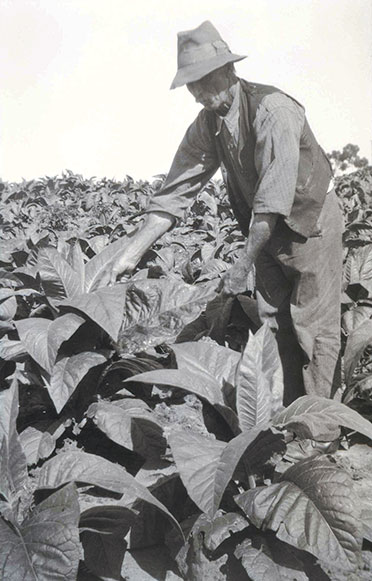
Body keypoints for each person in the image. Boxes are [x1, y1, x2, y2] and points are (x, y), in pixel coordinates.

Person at [111, 20, 344, 405]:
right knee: (273, 320)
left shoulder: (274, 111)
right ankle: (280, 417)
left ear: (229, 70)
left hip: (310, 224)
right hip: (266, 230)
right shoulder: (208, 125)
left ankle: (321, 432)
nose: (198, 93)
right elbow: (174, 194)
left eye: (205, 81)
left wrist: (240, 267)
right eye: (191, 85)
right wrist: (129, 254)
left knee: (313, 326)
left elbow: (272, 204)